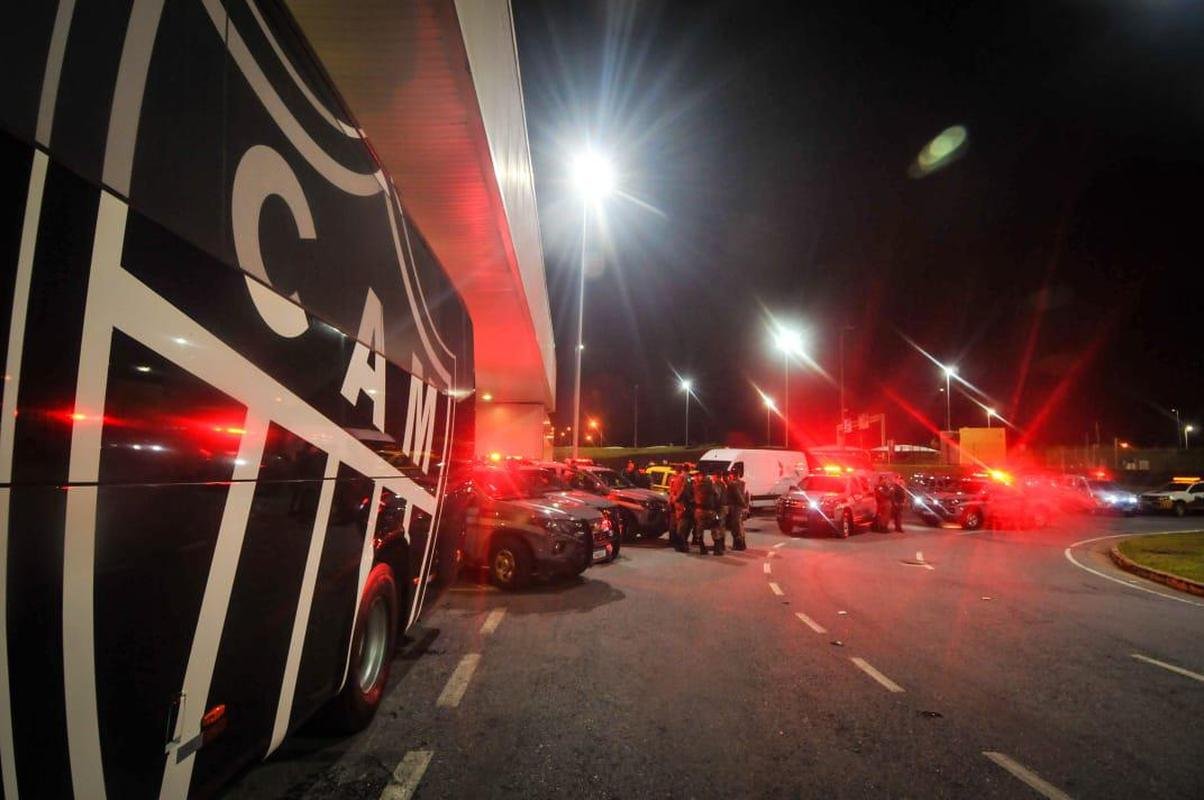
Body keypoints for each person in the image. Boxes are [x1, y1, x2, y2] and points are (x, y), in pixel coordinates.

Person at [693, 472, 723, 554]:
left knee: (699, 529)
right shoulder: (712, 486)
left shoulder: (696, 486)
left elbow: (692, 497)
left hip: (699, 510)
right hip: (711, 510)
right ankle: (717, 550)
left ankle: (702, 548)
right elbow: (718, 496)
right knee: (715, 528)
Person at [725, 469, 749, 550]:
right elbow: (746, 495)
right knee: (740, 525)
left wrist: (743, 504)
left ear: (733, 475)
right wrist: (745, 506)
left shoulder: (733, 484)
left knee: (735, 527)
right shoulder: (742, 483)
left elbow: (738, 496)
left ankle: (738, 545)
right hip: (740, 507)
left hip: (735, 507)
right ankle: (742, 544)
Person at [671, 467, 694, 553]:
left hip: (679, 504)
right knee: (684, 525)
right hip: (684, 504)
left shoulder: (676, 478)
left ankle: (679, 544)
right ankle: (681, 545)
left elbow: (673, 490)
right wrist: (691, 500)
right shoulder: (686, 478)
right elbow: (685, 490)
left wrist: (674, 499)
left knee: (680, 524)